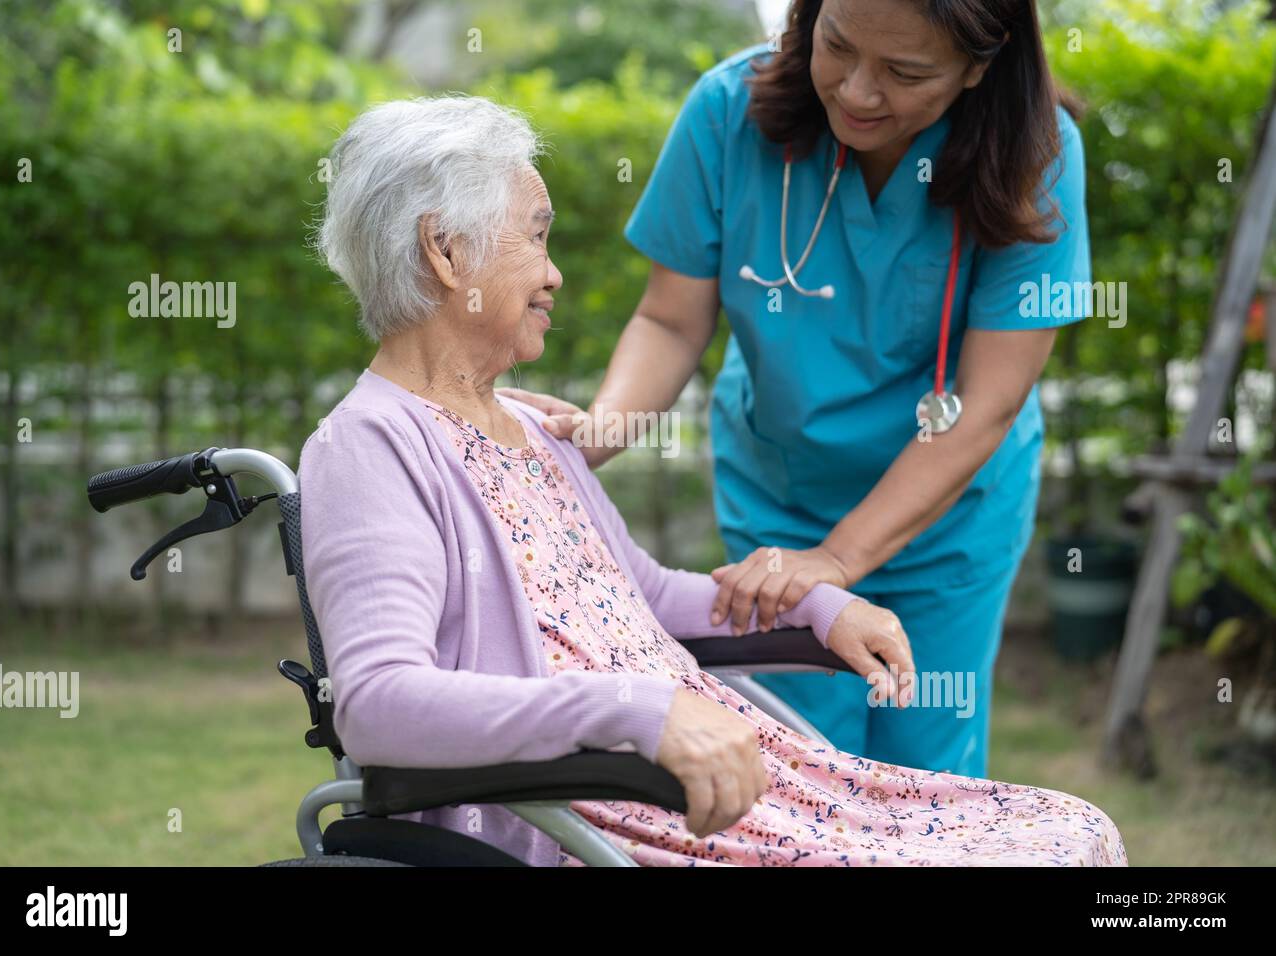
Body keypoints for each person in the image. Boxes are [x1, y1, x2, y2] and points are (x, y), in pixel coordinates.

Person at [298, 95, 1126, 866]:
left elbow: (647, 601)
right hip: (620, 813)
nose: (554, 275)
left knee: (1072, 829)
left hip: (742, 787)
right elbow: (377, 706)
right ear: (446, 253)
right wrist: (634, 711)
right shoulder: (369, 448)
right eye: (537, 238)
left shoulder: (529, 430)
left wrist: (819, 603)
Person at [506, 0, 1091, 779]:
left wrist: (840, 560)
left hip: (948, 513)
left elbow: (987, 402)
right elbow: (672, 322)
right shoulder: (726, 113)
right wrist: (605, 427)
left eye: (905, 72)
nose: (856, 91)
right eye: (838, 46)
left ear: (981, 65)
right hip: (782, 496)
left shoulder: (1038, 154)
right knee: (805, 762)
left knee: (927, 762)